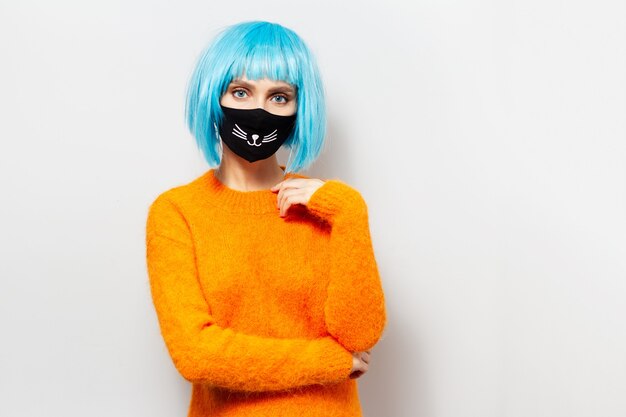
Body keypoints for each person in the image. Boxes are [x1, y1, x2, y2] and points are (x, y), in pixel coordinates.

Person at [145, 20, 387, 417]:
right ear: (212, 96)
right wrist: (327, 361)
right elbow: (195, 353)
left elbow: (360, 335)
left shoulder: (327, 205)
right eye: (241, 91)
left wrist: (350, 213)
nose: (260, 110)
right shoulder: (177, 213)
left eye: (279, 97)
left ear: (298, 107)